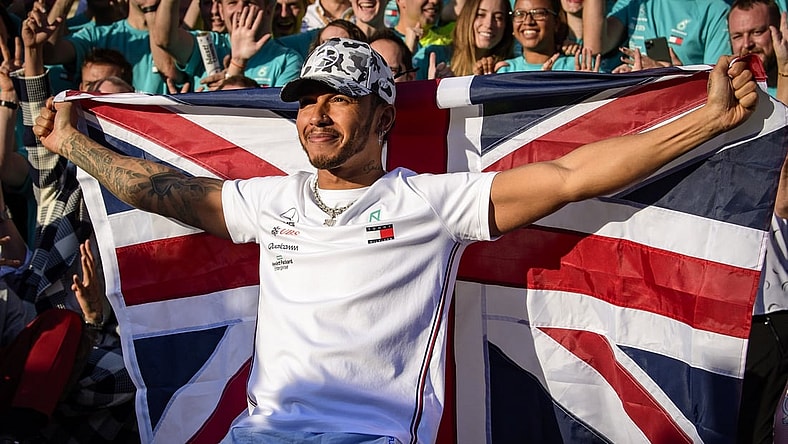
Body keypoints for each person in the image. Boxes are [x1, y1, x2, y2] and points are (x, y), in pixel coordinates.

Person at [33, 37, 759, 443]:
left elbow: (571, 175)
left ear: (383, 119)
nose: (316, 114)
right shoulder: (270, 201)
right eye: (308, 101)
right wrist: (73, 144)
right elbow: (161, 192)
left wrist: (709, 124)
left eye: (338, 98)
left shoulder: (431, 204)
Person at [727, 2, 788, 442]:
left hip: (779, 311)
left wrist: (785, 70)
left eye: (759, 32)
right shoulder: (719, 106)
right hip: (732, 316)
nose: (748, 44)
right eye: (738, 36)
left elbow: (782, 194)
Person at [153, 0, 303, 90]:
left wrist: (235, 68)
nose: (240, 9)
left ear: (269, 7)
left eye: (250, 1)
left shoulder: (287, 60)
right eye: (232, 2)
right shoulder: (209, 42)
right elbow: (165, 39)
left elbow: (277, 115)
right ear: (221, 10)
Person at [417, 0, 513, 79]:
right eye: (480, 14)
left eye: (498, 17)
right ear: (466, 17)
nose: (488, 24)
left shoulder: (510, 67)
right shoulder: (431, 56)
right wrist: (433, 88)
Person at [496, 0, 599, 72]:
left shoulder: (579, 66)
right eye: (520, 14)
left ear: (556, 23)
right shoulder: (506, 70)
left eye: (539, 13)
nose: (528, 21)